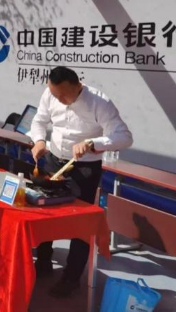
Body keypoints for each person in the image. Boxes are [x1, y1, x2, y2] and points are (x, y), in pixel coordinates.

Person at [30, 66, 133, 298]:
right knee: (45, 213)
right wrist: (38, 140)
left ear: (78, 85)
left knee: (80, 222)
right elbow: (39, 120)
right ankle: (43, 262)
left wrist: (93, 143)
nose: (60, 100)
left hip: (84, 167)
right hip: (54, 159)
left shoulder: (99, 102)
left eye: (64, 95)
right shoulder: (50, 93)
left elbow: (124, 137)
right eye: (55, 95)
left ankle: (71, 277)